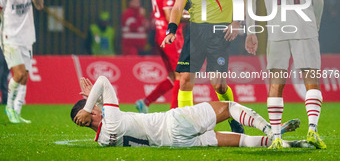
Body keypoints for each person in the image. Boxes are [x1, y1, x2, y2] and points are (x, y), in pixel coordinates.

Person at [245, 0, 326, 149]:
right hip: (303, 24)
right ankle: (312, 131)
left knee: (276, 82)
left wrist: (251, 30)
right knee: (311, 79)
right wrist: (316, 24)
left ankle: (277, 138)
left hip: (276, 28)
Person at [161, 0, 248, 133]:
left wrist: (237, 22)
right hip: (196, 33)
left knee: (218, 85)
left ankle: (234, 118)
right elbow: (177, 6)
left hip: (219, 33)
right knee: (184, 79)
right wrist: (171, 29)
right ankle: (185, 127)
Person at [71, 76, 308, 148]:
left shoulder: (104, 140)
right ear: (90, 113)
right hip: (173, 123)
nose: (99, 107)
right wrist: (92, 102)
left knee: (241, 142)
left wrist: (92, 105)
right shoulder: (109, 119)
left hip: (174, 143)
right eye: (94, 108)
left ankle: (291, 144)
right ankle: (273, 130)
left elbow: (106, 115)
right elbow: (103, 80)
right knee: (230, 107)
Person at [136, 0, 185, 112]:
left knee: (173, 77)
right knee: (182, 76)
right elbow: (170, 16)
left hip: (160, 35)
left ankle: (145, 102)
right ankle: (174, 114)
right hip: (171, 37)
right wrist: (192, 16)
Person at [0, 0, 44, 123]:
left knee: (25, 76)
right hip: (9, 38)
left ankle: (17, 112)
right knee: (18, 74)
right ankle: (9, 107)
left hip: (27, 37)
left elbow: (40, 5)